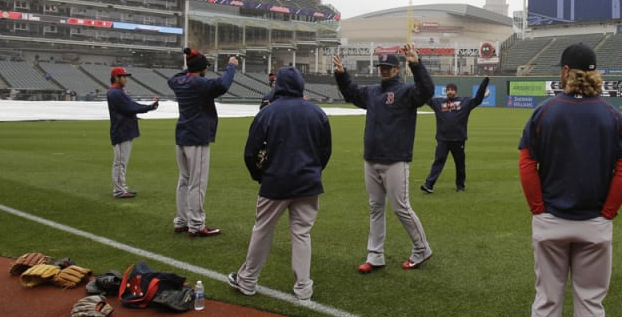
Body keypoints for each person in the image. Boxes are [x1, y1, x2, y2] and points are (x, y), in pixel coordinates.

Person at [516, 42, 622, 317]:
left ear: (567, 72)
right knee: (591, 303)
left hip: (551, 220)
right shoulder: (613, 115)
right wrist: (608, 212)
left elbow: (526, 164)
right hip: (594, 225)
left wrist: (539, 207)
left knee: (548, 300)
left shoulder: (545, 111)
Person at [229, 67, 332, 302]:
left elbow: (250, 152)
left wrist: (259, 175)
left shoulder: (268, 112)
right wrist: (314, 171)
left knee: (262, 230)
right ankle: (304, 288)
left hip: (275, 181)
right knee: (302, 234)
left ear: (279, 86)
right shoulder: (317, 112)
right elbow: (325, 151)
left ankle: (247, 281)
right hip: (308, 182)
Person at [333, 44, 434, 273]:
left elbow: (427, 91)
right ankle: (375, 255)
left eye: (389, 67)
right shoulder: (372, 92)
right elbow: (351, 93)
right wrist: (341, 75)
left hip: (396, 159)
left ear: (397, 69)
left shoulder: (406, 92)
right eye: (382, 67)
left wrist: (416, 65)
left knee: (401, 208)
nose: (385, 70)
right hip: (371, 159)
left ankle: (422, 248)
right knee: (375, 208)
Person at [167, 48, 238, 238]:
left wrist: (191, 62)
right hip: (197, 137)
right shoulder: (199, 84)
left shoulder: (178, 81)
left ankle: (181, 220)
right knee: (197, 183)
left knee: (184, 181)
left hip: (181, 136)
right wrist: (231, 66)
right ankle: (196, 224)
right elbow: (223, 85)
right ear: (201, 68)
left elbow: (175, 77)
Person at [420, 77, 490, 194]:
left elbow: (478, 99)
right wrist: (422, 83)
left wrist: (485, 82)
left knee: (460, 164)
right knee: (438, 162)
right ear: (446, 91)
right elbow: (425, 98)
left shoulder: (465, 102)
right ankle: (429, 185)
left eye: (452, 90)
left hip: (458, 139)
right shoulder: (438, 103)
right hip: (443, 139)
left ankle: (460, 186)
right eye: (448, 90)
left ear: (456, 91)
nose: (450, 91)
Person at [106, 66, 158, 199]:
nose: (125, 79)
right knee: (120, 162)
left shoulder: (117, 91)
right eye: (123, 76)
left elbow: (129, 107)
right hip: (121, 131)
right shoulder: (115, 92)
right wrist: (149, 107)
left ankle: (121, 187)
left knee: (121, 162)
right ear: (117, 78)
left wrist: (145, 109)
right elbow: (130, 107)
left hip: (123, 130)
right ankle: (119, 190)